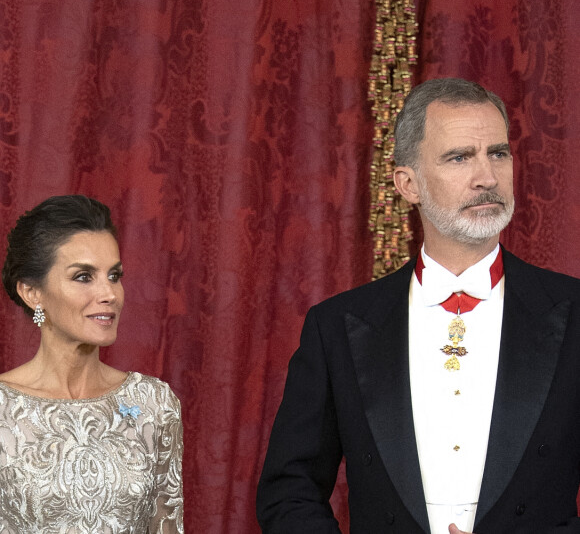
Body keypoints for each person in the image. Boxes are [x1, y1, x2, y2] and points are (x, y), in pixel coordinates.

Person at [256, 78, 580, 533]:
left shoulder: (574, 313)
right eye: (460, 157)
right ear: (409, 184)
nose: (487, 177)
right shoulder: (336, 327)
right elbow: (289, 489)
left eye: (498, 153)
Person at [0, 195, 183, 533]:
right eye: (84, 276)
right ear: (31, 292)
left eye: (114, 276)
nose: (110, 293)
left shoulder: (154, 405)